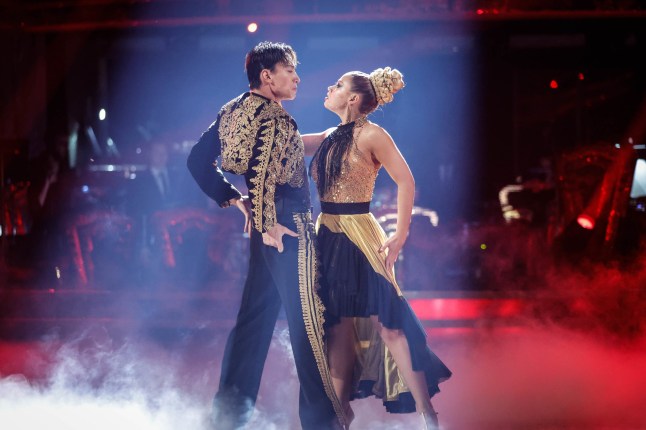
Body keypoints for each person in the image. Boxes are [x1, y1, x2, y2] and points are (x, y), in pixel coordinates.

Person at [186, 41, 345, 430]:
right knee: (309, 324)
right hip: (288, 230)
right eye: (289, 69)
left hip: (267, 230)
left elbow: (198, 161)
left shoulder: (234, 110)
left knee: (253, 325)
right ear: (266, 76)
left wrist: (233, 200)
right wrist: (267, 220)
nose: (297, 77)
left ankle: (226, 420)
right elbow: (261, 171)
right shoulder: (275, 117)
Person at [303, 68, 452, 429]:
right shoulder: (327, 135)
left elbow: (406, 180)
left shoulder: (373, 134)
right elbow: (285, 142)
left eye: (338, 85)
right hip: (327, 235)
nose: (329, 87)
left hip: (359, 234)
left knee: (389, 324)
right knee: (336, 327)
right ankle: (340, 416)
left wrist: (400, 234)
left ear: (352, 98)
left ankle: (426, 413)